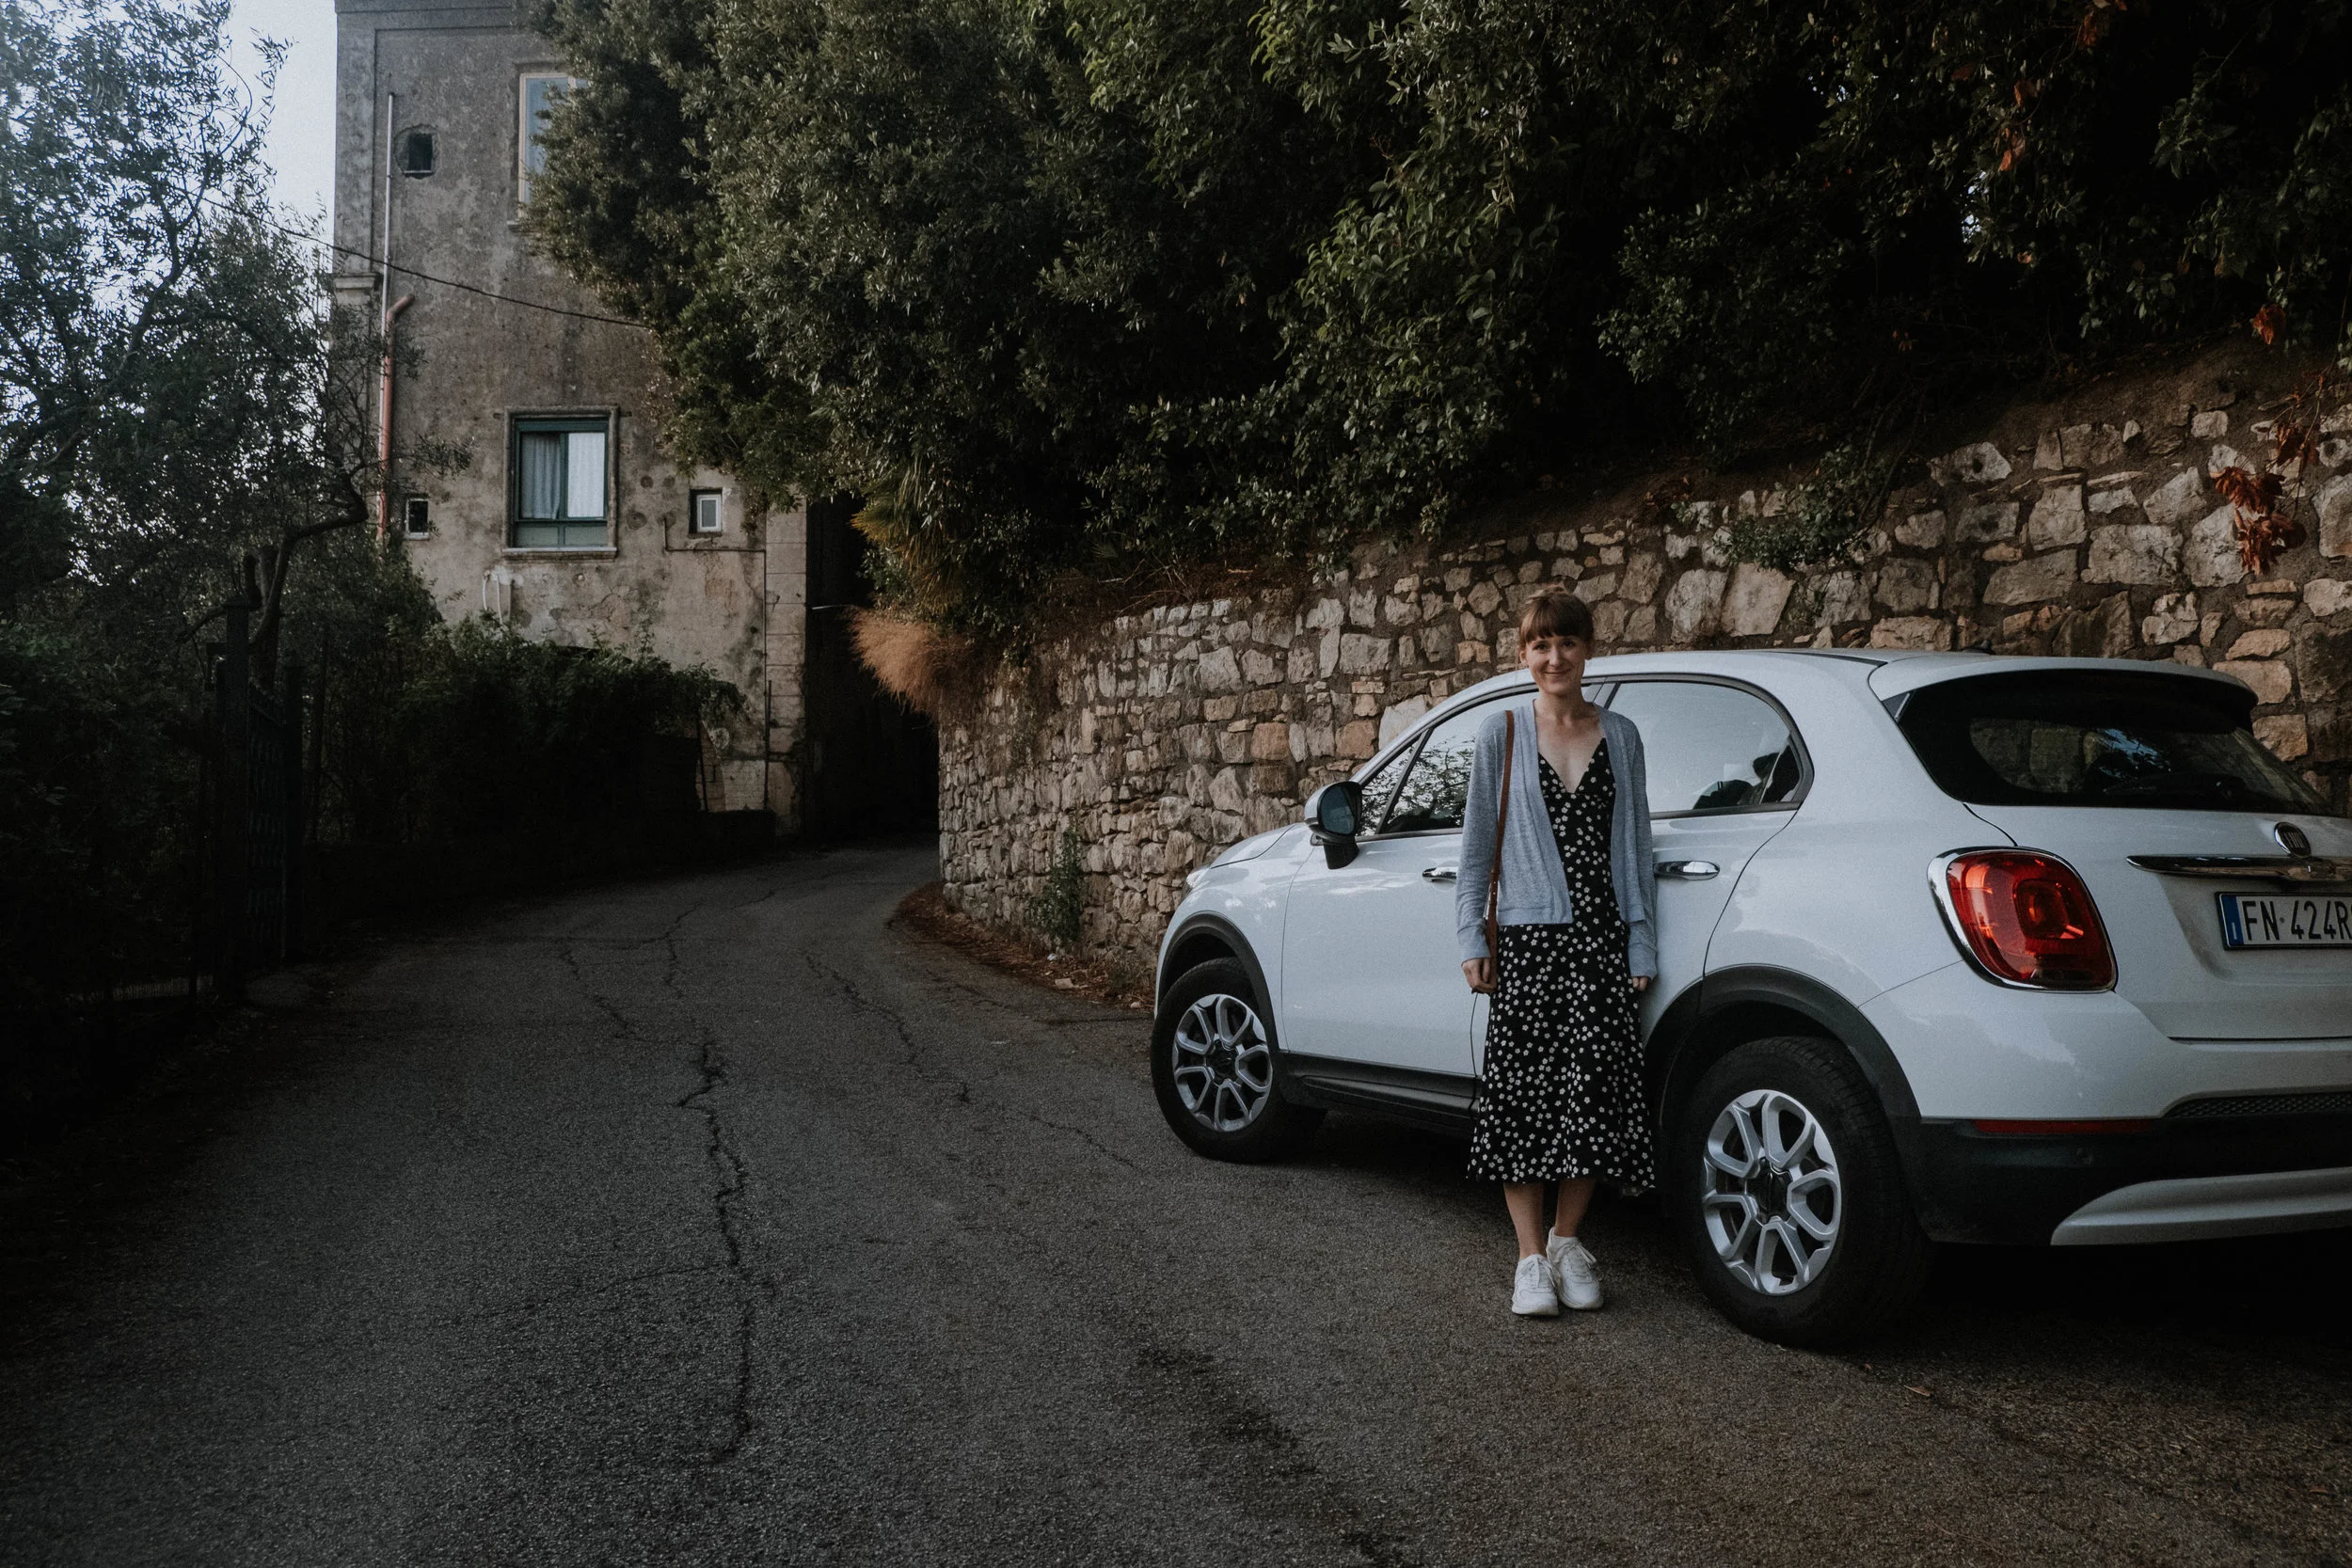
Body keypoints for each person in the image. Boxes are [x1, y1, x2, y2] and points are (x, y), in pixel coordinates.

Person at [1454, 589, 1657, 1318]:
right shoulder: (1502, 732)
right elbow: (1476, 847)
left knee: (1591, 1096)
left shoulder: (1621, 735)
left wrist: (1640, 938)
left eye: (1567, 642)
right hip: (1529, 943)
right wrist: (1472, 935)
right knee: (1523, 1098)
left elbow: (1636, 844)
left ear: (1587, 649)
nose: (1554, 656)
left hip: (1600, 941)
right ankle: (1529, 1259)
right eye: (1540, 644)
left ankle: (1568, 1241)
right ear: (1523, 654)